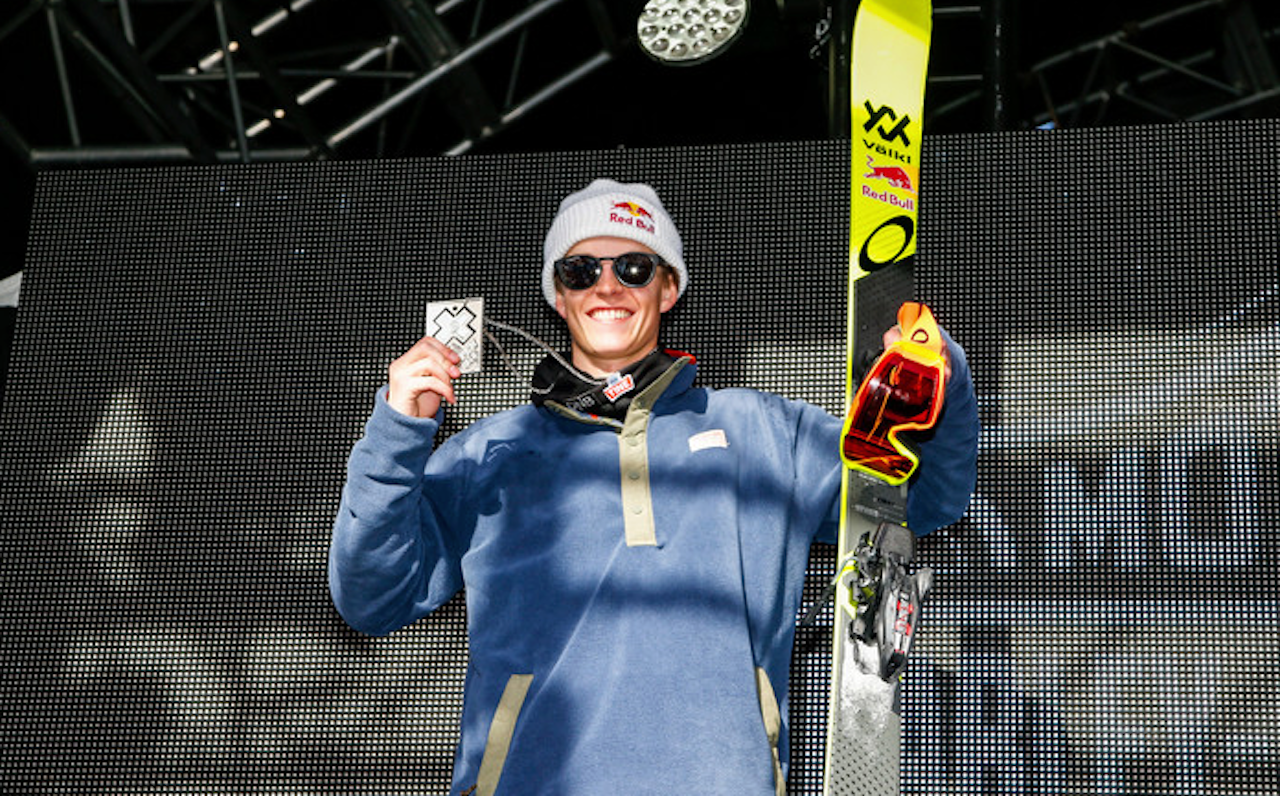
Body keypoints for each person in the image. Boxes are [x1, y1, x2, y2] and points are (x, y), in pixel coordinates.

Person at [328, 179, 979, 796]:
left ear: (670, 288)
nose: (606, 287)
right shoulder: (486, 450)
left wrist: (937, 381)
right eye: (580, 271)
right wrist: (397, 430)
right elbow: (372, 599)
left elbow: (921, 500)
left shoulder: (762, 431)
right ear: (557, 296)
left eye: (634, 268)